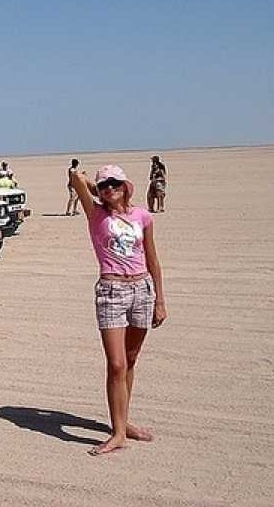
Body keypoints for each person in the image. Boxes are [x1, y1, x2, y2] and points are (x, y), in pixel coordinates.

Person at [68, 164, 167, 456]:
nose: (109, 188)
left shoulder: (142, 217)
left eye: (115, 183)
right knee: (116, 364)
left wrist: (160, 299)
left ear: (126, 185)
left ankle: (124, 423)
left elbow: (153, 259)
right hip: (112, 292)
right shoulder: (96, 214)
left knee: (131, 360)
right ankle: (118, 433)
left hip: (142, 290)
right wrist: (89, 182)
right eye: (104, 185)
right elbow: (75, 180)